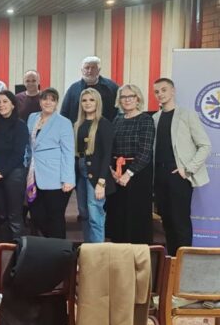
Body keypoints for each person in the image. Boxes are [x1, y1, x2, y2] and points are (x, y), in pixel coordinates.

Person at [153, 78, 211, 255]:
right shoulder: (155, 118)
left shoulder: (187, 115)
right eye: (157, 92)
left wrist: (187, 169)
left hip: (178, 174)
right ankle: (172, 260)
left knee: (180, 221)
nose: (160, 94)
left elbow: (205, 145)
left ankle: (185, 261)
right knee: (167, 221)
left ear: (173, 91)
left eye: (164, 90)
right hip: (159, 175)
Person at [106, 84, 155, 244]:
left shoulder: (146, 120)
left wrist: (128, 174)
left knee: (136, 213)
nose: (127, 100)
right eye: (123, 97)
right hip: (117, 172)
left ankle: (137, 251)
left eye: (131, 96)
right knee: (118, 212)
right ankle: (119, 249)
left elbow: (145, 151)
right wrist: (112, 170)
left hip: (137, 172)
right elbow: (110, 147)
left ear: (137, 98)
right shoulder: (117, 119)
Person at [27, 88, 75, 239]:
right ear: (40, 101)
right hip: (33, 174)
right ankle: (47, 248)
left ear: (56, 103)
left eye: (52, 99)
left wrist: (68, 179)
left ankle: (60, 250)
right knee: (36, 215)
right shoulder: (32, 118)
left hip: (55, 176)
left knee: (55, 217)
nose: (48, 102)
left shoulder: (63, 122)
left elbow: (68, 152)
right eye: (45, 99)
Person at [73, 88, 115, 243]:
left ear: (98, 102)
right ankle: (88, 248)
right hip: (80, 172)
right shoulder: (78, 124)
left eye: (91, 100)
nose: (88, 103)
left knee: (95, 214)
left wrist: (101, 182)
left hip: (96, 175)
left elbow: (107, 155)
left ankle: (97, 251)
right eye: (84, 100)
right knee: (84, 213)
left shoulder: (104, 124)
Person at [0, 91, 30, 242]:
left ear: (13, 104)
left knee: (14, 216)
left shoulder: (20, 126)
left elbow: (18, 154)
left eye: (5, 101)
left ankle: (18, 252)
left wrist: (1, 171)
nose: (1, 105)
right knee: (1, 215)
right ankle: (3, 250)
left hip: (14, 174)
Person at [60, 56, 120, 123]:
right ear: (82, 70)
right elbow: (64, 112)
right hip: (78, 127)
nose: (90, 71)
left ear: (99, 70)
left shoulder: (111, 87)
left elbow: (119, 109)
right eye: (87, 68)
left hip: (105, 127)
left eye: (93, 68)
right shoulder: (74, 89)